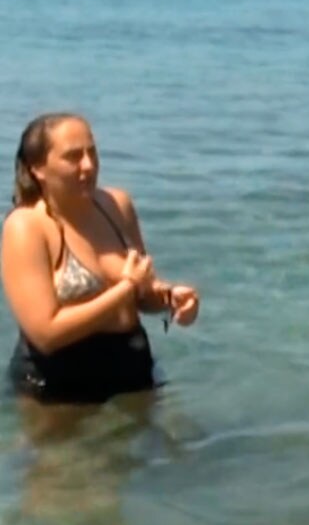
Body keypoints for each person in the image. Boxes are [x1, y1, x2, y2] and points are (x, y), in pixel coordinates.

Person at [2, 112, 200, 405]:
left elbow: (142, 293)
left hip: (133, 370)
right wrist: (125, 290)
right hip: (57, 388)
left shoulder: (116, 204)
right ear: (38, 168)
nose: (89, 165)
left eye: (92, 152)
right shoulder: (27, 226)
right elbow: (46, 333)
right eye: (73, 157)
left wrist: (170, 299)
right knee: (71, 453)